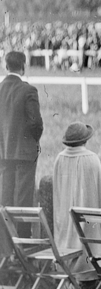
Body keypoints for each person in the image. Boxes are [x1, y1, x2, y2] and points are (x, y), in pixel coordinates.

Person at [53, 122, 101, 286]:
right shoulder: (92, 158)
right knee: (89, 231)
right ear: (85, 140)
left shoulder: (59, 158)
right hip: (88, 213)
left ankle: (69, 272)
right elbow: (100, 189)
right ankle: (89, 272)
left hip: (65, 212)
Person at [0, 51, 44, 237]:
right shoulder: (28, 90)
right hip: (24, 153)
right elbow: (36, 123)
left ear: (6, 66)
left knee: (6, 198)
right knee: (23, 200)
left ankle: (7, 245)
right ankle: (24, 245)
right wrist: (33, 141)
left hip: (4, 152)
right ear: (23, 66)